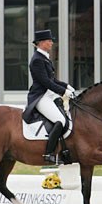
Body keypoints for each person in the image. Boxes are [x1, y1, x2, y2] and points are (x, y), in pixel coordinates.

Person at [27, 29, 75, 164]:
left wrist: (67, 86)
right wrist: (63, 92)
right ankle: (49, 154)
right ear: (41, 43)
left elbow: (52, 79)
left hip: (49, 95)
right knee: (60, 120)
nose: (52, 43)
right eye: (49, 41)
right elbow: (46, 82)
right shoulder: (37, 60)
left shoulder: (44, 57)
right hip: (40, 97)